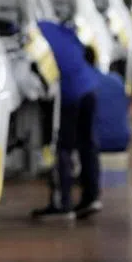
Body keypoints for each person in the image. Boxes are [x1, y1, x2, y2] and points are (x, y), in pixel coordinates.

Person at [34, 15, 103, 220]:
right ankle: (91, 197)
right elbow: (85, 50)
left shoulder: (30, 35)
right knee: (87, 143)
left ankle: (62, 204)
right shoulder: (54, 26)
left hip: (68, 92)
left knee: (61, 145)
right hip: (89, 86)